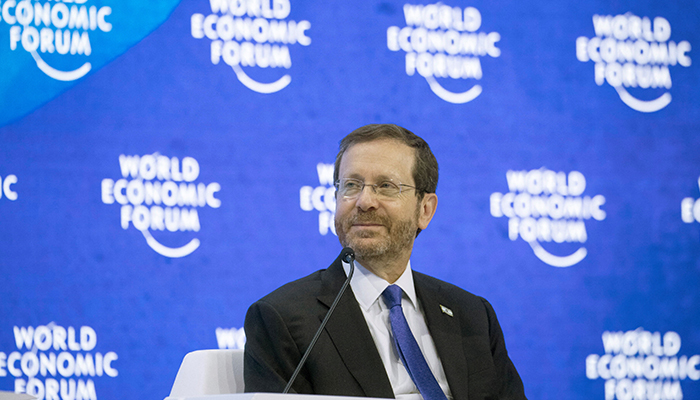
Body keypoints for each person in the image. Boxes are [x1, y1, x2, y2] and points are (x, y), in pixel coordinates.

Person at [244, 124, 527, 400]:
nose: (364, 201)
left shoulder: (472, 315)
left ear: (425, 210)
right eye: (351, 185)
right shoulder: (283, 318)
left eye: (386, 186)